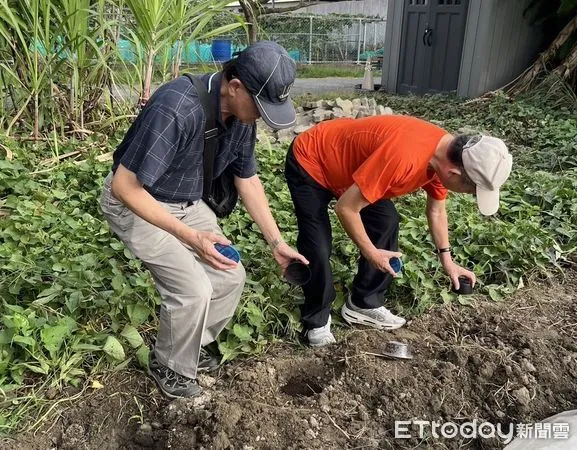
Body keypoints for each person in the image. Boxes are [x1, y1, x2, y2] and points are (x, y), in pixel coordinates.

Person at [100, 41, 307, 398]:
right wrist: (190, 236)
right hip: (137, 201)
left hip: (185, 200)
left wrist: (277, 243)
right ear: (235, 86)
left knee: (229, 277)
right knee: (194, 289)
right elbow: (125, 186)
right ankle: (168, 365)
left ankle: (187, 348)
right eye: (261, 106)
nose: (262, 115)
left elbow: (247, 178)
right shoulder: (177, 106)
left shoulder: (243, 115)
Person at [285, 115, 512, 346]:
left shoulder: (443, 155)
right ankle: (316, 320)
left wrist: (448, 260)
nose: (467, 195)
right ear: (453, 174)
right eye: (469, 191)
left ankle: (364, 303)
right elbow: (346, 208)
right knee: (318, 243)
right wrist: (371, 252)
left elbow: (436, 211)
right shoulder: (405, 157)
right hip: (313, 159)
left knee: (386, 221)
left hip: (356, 170)